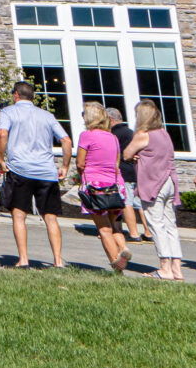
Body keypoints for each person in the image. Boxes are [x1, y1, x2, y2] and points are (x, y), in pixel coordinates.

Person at [0, 81, 70, 269]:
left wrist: (1, 158)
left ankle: (23, 259)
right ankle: (58, 261)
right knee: (50, 217)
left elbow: (3, 134)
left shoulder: (8, 112)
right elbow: (66, 140)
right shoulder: (47, 115)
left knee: (19, 215)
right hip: (46, 170)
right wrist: (65, 166)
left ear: (16, 95)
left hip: (21, 169)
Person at [123, 99, 183, 281]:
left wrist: (135, 155)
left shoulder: (142, 134)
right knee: (170, 225)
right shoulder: (164, 133)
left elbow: (126, 154)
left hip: (153, 183)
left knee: (156, 224)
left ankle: (164, 267)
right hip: (169, 181)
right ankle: (176, 268)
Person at [73, 102, 132, 272]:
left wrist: (80, 176)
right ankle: (123, 247)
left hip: (95, 186)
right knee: (113, 225)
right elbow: (116, 162)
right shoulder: (112, 137)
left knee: (104, 228)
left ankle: (116, 264)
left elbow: (80, 163)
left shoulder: (87, 135)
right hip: (115, 185)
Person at [107, 105, 149, 243]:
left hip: (124, 172)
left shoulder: (114, 135)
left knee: (127, 203)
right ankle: (148, 232)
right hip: (137, 171)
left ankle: (134, 233)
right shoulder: (131, 132)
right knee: (140, 204)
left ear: (110, 119)